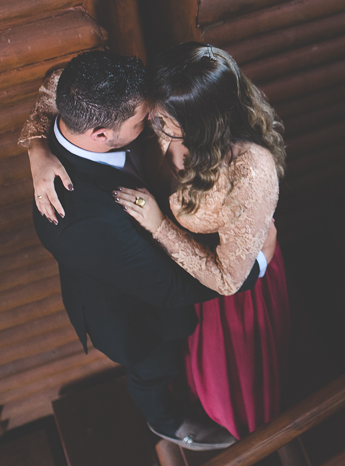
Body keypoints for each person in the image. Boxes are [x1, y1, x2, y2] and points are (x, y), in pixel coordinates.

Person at [24, 44, 288, 441]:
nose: (153, 122)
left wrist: (36, 146)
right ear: (101, 135)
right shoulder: (84, 220)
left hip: (199, 262)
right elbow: (170, 289)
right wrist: (255, 269)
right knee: (154, 369)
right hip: (131, 308)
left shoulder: (115, 97)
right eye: (145, 120)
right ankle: (166, 424)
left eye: (159, 118)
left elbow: (57, 81)